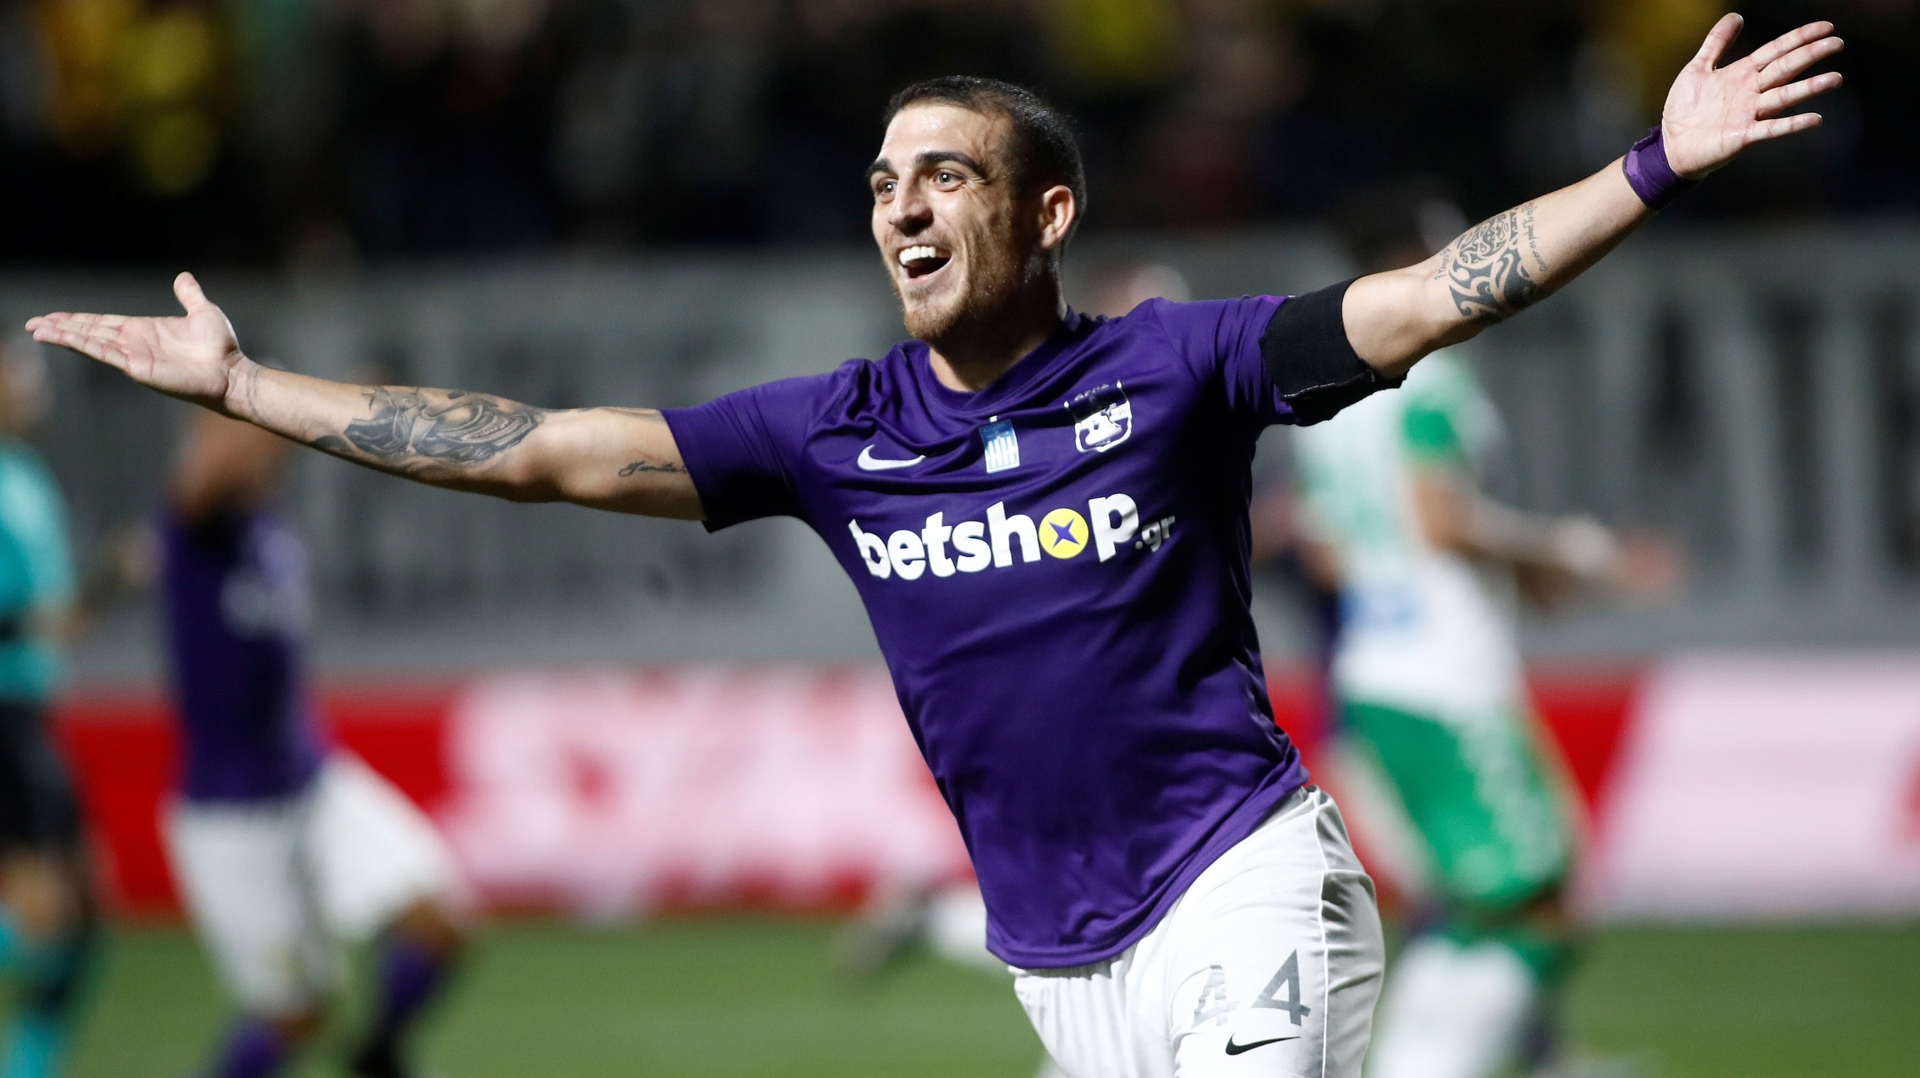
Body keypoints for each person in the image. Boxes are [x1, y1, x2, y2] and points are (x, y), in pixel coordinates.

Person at [27, 15, 1841, 1076]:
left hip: (1243, 884)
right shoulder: (832, 431)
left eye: (946, 173)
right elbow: (543, 450)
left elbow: (1436, 294)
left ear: (1046, 212)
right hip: (1061, 957)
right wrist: (247, 386)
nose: (902, 201)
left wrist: (1653, 165)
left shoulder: (1178, 366)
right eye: (885, 179)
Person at [1287, 193, 1679, 1078]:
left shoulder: (1326, 394)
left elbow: (1328, 556)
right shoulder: (1429, 379)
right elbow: (1439, 519)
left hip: (1374, 671)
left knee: (1469, 897)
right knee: (1539, 896)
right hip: (1446, 674)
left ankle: (1521, 1057)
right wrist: (1569, 552)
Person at [157, 412, 467, 1078]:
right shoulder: (194, 527)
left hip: (310, 779)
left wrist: (301, 418)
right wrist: (276, 416)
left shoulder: (268, 524)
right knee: (295, 1014)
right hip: (230, 810)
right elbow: (206, 477)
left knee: (440, 924)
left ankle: (378, 1055)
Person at [0, 343, 98, 1078]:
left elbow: (53, 611)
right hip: (3, 713)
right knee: (53, 916)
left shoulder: (25, 475)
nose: (29, 382)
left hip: (32, 707)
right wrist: (25, 624)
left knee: (84, 915)